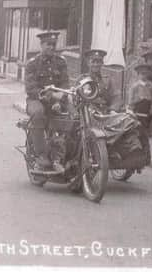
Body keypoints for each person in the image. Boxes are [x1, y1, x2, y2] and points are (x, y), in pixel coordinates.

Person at [24, 31, 70, 173]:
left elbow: (65, 84)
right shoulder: (33, 63)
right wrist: (43, 95)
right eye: (48, 44)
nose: (51, 47)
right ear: (41, 45)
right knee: (38, 114)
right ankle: (41, 156)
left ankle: (60, 157)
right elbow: (30, 87)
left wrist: (60, 98)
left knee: (72, 116)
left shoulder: (61, 62)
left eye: (53, 44)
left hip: (55, 99)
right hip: (36, 100)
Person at [81, 49, 122, 113]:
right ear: (88, 63)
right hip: (87, 113)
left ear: (102, 63)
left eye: (98, 62)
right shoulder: (82, 79)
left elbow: (115, 97)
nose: (96, 64)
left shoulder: (107, 80)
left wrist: (113, 109)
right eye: (93, 62)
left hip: (104, 113)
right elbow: (76, 98)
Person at [127, 63, 152, 133]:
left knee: (147, 120)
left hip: (148, 107)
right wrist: (131, 107)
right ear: (138, 75)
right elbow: (130, 99)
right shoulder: (135, 86)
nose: (144, 76)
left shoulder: (151, 85)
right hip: (138, 107)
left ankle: (146, 130)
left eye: (145, 74)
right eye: (142, 74)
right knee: (138, 122)